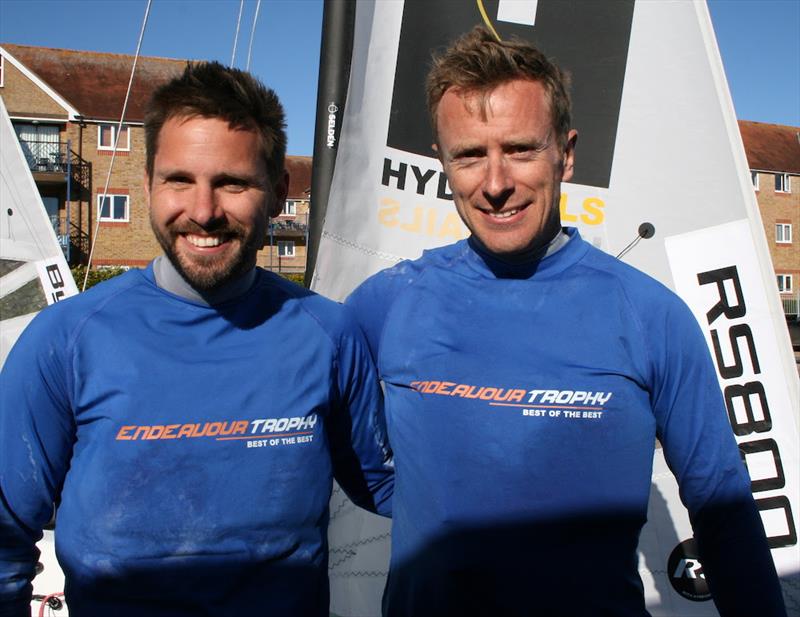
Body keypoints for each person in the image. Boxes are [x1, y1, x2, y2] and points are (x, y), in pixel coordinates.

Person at [346, 27, 785, 617]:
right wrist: (438, 509)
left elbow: (722, 510)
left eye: (521, 149)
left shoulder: (651, 315)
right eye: (470, 154)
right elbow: (351, 458)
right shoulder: (384, 304)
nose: (496, 184)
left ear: (567, 153)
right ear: (442, 163)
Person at [0, 62, 392, 617]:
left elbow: (389, 485)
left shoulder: (329, 334)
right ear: (148, 185)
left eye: (233, 183)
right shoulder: (65, 340)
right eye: (179, 180)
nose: (203, 212)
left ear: (278, 192)